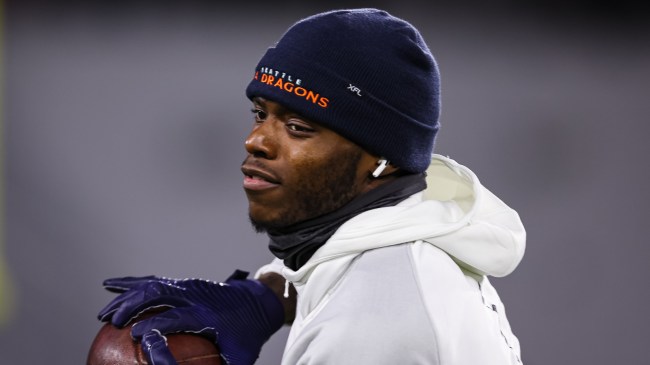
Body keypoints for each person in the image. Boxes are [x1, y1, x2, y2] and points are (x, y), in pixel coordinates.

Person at [97, 8, 526, 365]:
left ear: (382, 159)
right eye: (260, 113)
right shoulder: (404, 245)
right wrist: (266, 297)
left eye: (298, 126)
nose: (256, 140)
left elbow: (371, 311)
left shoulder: (373, 325)